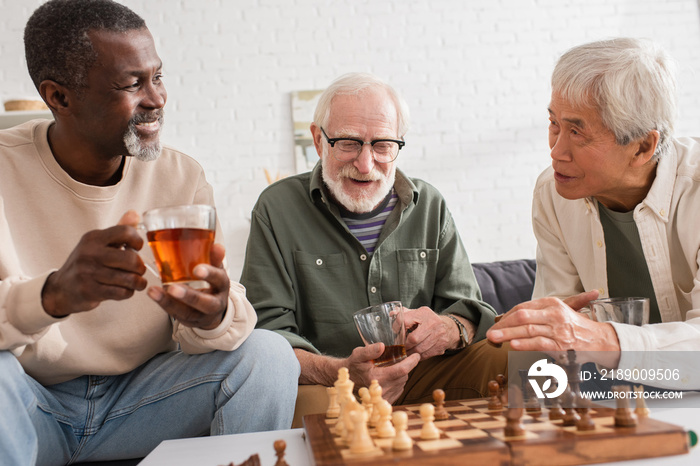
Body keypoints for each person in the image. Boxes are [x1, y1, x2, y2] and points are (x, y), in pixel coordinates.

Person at [0, 1, 299, 464]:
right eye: (131, 83)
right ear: (59, 96)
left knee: (268, 355)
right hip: (31, 403)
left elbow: (203, 322)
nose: (156, 98)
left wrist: (213, 315)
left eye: (157, 77)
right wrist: (53, 294)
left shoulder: (180, 177)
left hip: (143, 401)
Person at [240, 72, 507, 406]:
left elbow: (470, 309)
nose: (366, 165)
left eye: (382, 145)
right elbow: (267, 337)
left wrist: (448, 328)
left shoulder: (430, 205)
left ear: (399, 141)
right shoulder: (276, 208)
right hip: (328, 384)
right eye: (349, 143)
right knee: (306, 407)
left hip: (423, 375)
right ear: (318, 140)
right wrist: (342, 373)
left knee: (512, 357)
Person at [487, 38, 700, 374]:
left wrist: (605, 341)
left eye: (577, 131)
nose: (556, 151)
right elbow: (556, 335)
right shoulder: (553, 193)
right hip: (615, 399)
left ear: (643, 146)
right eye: (554, 124)